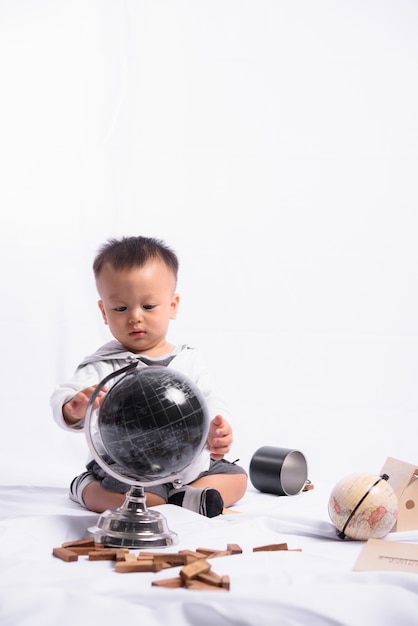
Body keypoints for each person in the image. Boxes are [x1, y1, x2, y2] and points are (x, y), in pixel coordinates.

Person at [50, 235, 247, 518]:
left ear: (173, 306)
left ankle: (180, 496)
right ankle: (84, 487)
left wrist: (219, 428)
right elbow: (66, 394)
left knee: (237, 480)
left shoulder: (188, 360)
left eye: (148, 306)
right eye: (120, 308)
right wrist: (73, 407)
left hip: (187, 466)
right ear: (104, 312)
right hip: (128, 469)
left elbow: (211, 400)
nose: (135, 317)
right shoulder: (104, 365)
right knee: (133, 500)